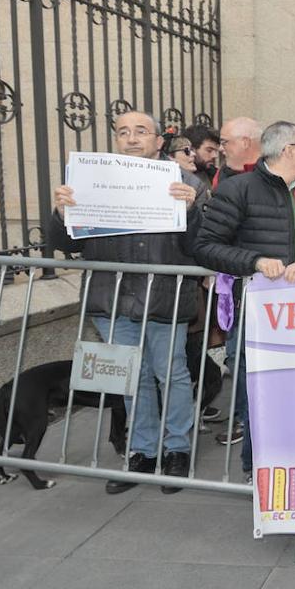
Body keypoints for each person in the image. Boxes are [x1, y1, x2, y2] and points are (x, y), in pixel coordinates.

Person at [48, 110, 204, 494]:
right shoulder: (89, 182)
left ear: (158, 141)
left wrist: (193, 211)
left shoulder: (186, 184)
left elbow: (200, 247)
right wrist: (61, 212)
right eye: (123, 132)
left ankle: (177, 451)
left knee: (173, 374)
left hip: (166, 296)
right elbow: (67, 244)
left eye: (140, 131)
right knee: (131, 378)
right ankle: (141, 453)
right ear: (116, 140)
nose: (131, 138)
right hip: (112, 298)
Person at [194, 121, 295, 481]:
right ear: (288, 150)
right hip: (257, 315)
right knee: (261, 396)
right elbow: (205, 246)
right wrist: (256, 262)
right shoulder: (238, 190)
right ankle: (257, 472)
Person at [216, 116, 262, 187]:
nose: (220, 148)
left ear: (245, 143)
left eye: (224, 142)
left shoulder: (272, 173)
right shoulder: (222, 173)